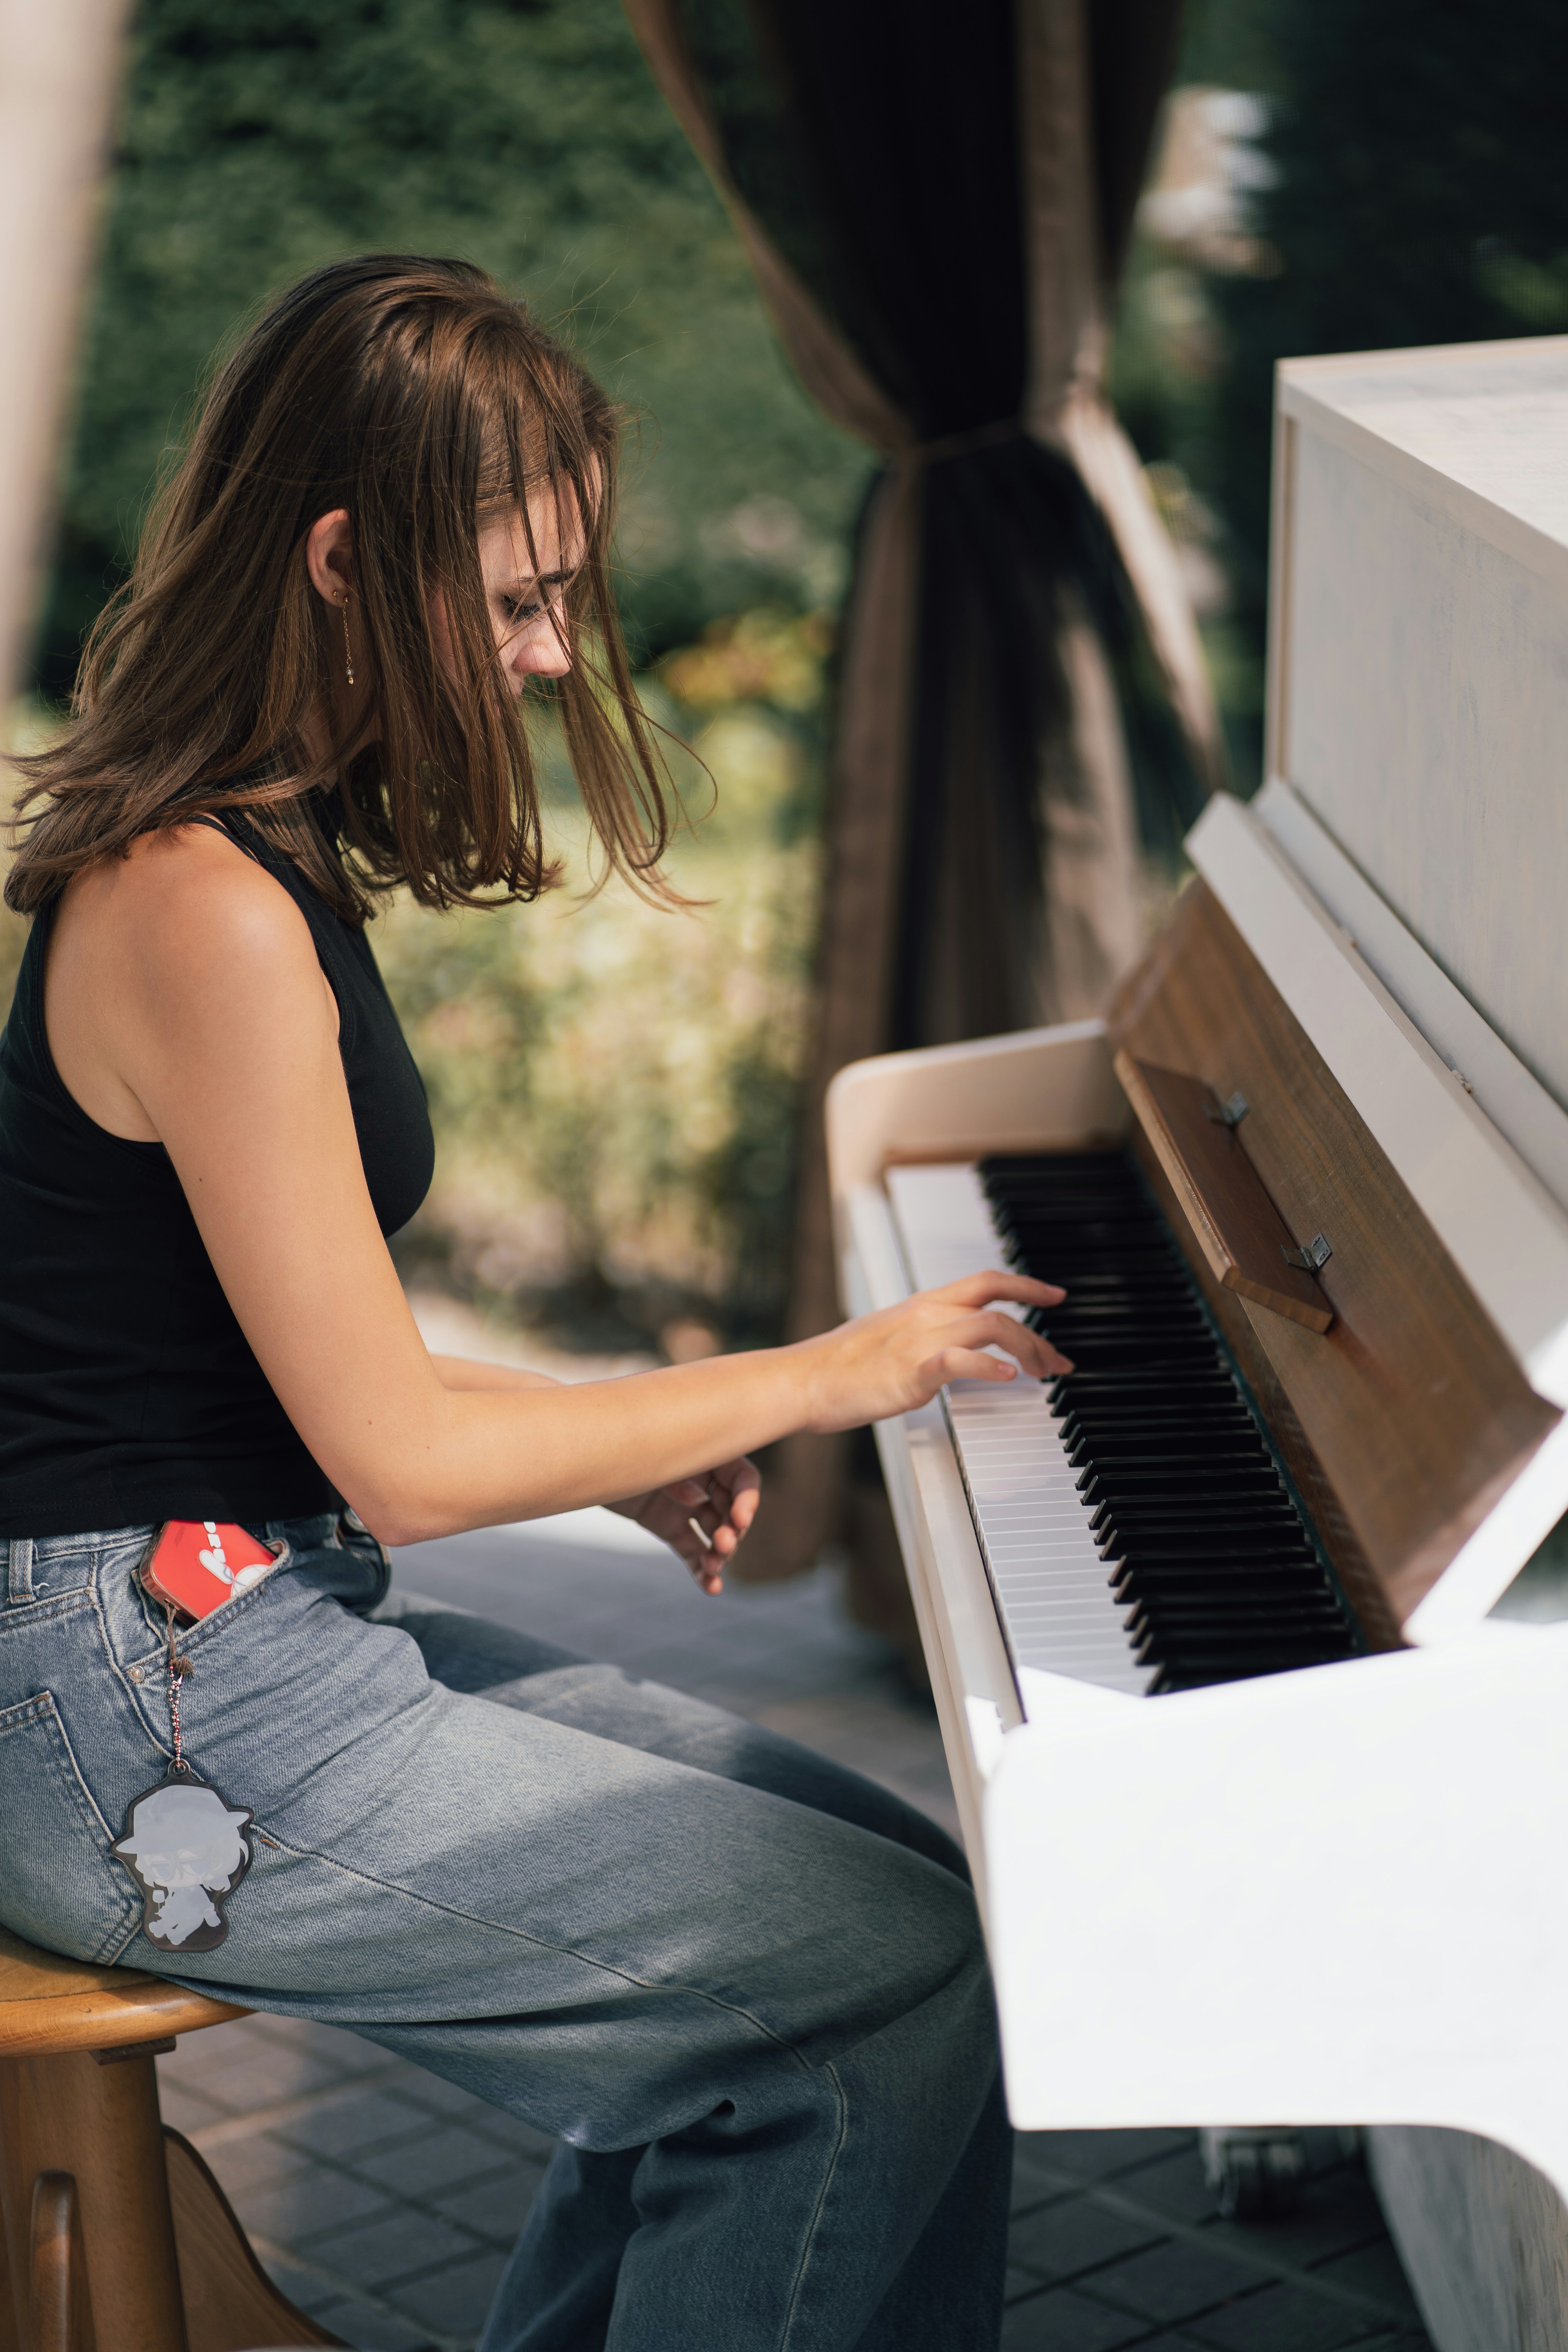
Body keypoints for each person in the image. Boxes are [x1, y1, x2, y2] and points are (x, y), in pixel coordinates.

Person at [0, 255, 1069, 2352]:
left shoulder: (250, 847)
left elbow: (306, 1373)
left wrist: (635, 1440)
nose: (556, 649)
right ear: (338, 558)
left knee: (903, 1920)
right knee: (883, 1993)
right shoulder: (199, 907)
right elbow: (399, 1457)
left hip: (210, 1635)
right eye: (517, 596)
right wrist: (823, 1374)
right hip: (136, 1738)